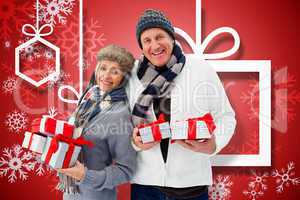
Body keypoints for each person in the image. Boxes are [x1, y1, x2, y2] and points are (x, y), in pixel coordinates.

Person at [128, 9, 236, 200]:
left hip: (192, 186)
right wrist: (135, 143)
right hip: (145, 187)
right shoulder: (132, 75)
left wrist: (213, 145)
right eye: (147, 40)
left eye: (159, 36)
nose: (154, 45)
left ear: (172, 38)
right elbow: (122, 123)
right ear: (141, 46)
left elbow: (226, 116)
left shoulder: (201, 69)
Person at [57, 44, 137, 200]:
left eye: (115, 71)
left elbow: (127, 170)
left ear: (123, 78)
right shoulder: (88, 100)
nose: (106, 76)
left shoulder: (118, 113)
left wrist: (85, 175)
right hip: (71, 193)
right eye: (103, 68)